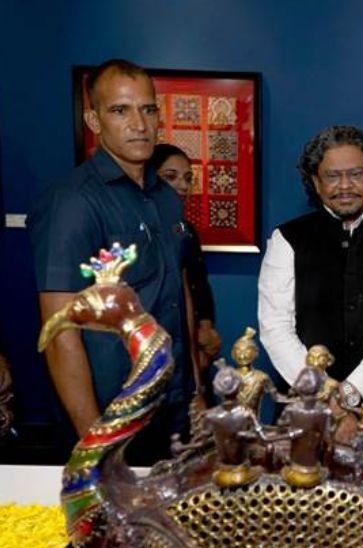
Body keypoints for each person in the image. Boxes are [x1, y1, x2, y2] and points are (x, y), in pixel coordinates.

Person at [28, 59, 195, 464]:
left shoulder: (166, 197)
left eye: (148, 109)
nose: (139, 124)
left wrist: (196, 394)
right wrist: (98, 446)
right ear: (94, 120)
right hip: (111, 414)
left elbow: (180, 295)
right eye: (120, 110)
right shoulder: (72, 202)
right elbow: (60, 332)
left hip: (171, 406)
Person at [257, 125, 363, 466]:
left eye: (356, 174)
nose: (345, 186)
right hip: (303, 424)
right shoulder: (287, 239)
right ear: (316, 182)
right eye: (332, 176)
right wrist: (325, 395)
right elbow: (275, 329)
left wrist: (348, 394)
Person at [149, 143, 222, 367]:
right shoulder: (141, 230)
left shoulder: (185, 230)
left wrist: (205, 331)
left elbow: (198, 282)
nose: (182, 185)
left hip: (193, 345)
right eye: (171, 177)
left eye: (188, 178)